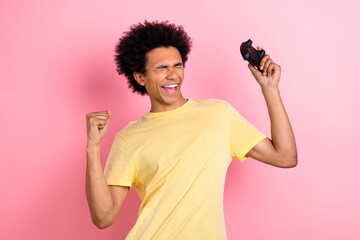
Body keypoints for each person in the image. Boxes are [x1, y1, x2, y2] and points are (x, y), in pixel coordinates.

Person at [85, 20, 297, 239]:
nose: (173, 75)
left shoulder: (219, 115)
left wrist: (270, 89)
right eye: (161, 68)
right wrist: (93, 148)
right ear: (140, 77)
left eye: (177, 65)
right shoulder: (128, 138)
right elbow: (103, 217)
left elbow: (285, 157)